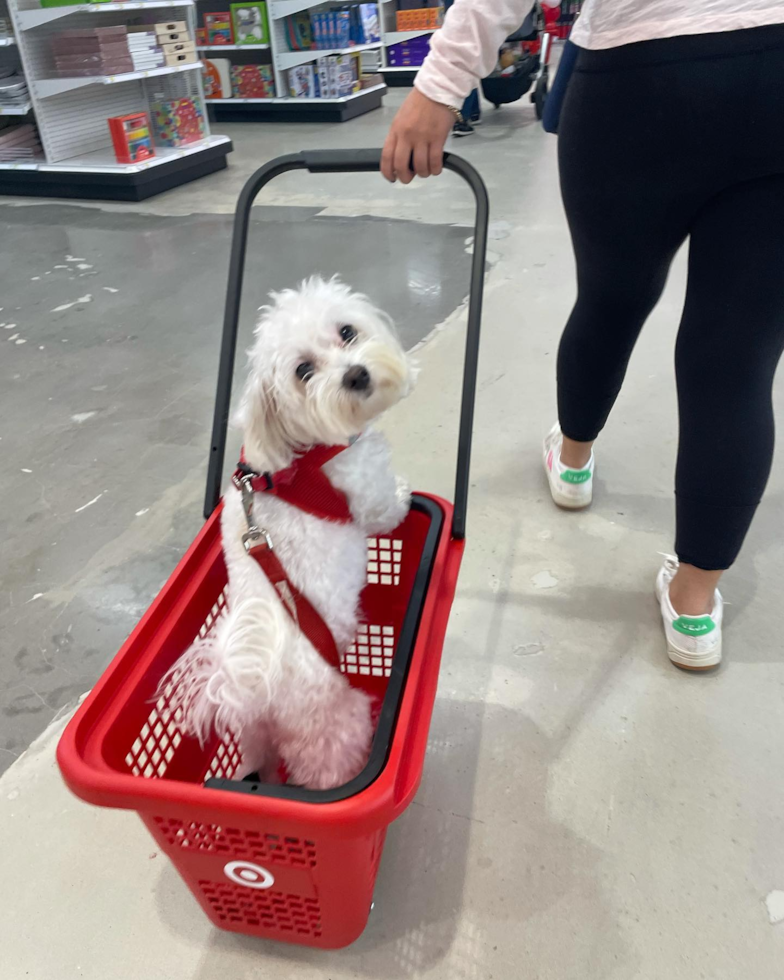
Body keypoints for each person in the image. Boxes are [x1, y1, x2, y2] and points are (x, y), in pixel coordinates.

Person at [380, 0, 784, 671]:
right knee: (736, 360)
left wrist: (439, 84)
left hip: (638, 73)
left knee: (611, 299)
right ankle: (693, 604)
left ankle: (572, 461)